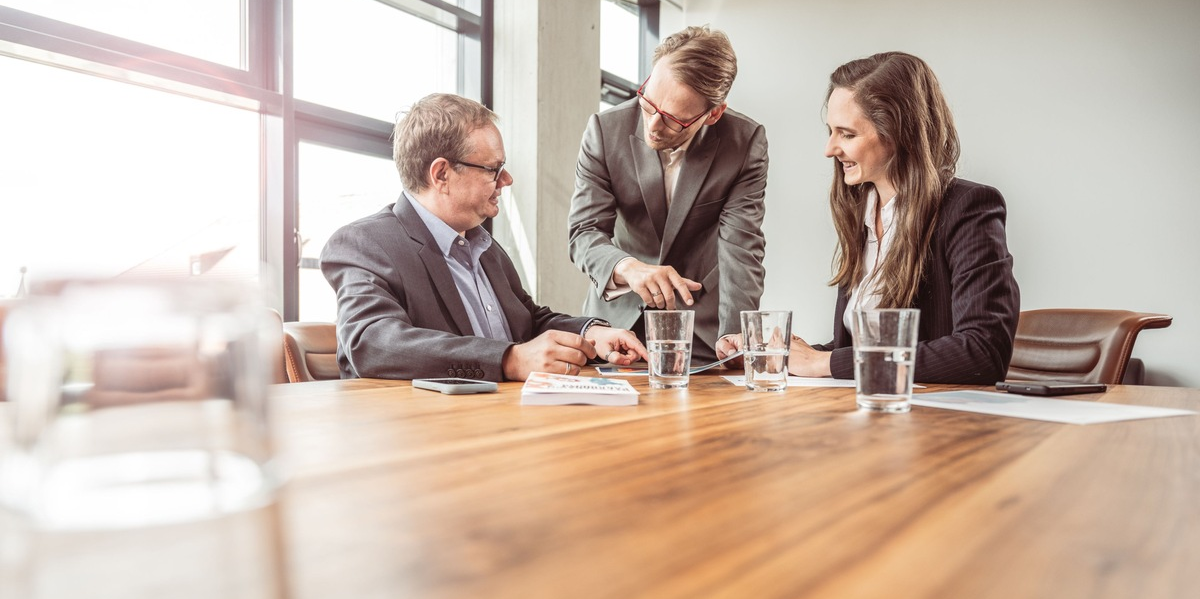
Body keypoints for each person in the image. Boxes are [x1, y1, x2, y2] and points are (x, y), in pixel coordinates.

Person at [718, 52, 1020, 384]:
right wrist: (775, 356)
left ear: (897, 134)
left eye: (846, 134)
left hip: (937, 422)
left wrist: (824, 362)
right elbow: (864, 350)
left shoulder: (968, 208)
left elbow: (982, 352)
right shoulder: (862, 211)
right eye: (830, 131)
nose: (829, 149)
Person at [321, 93, 647, 382]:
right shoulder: (365, 244)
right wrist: (508, 360)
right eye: (493, 168)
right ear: (441, 174)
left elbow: (528, 321)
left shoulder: (483, 246)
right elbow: (372, 343)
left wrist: (591, 333)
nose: (506, 179)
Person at [567, 25, 768, 363]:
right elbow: (583, 233)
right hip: (615, 328)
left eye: (673, 119)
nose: (653, 126)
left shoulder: (744, 143)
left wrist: (736, 336)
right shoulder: (604, 131)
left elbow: (741, 247)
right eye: (648, 103)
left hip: (702, 334)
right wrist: (629, 268)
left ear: (713, 114)